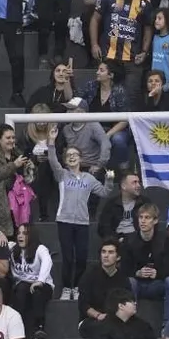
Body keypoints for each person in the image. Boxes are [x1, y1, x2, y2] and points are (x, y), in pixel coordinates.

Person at [48, 125, 115, 301]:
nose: (72, 157)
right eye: (69, 155)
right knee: (68, 257)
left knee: (82, 257)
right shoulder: (62, 175)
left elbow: (104, 192)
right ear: (65, 160)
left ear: (80, 158)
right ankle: (66, 288)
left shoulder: (89, 179)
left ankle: (76, 287)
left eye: (75, 155)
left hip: (82, 223)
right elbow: (52, 160)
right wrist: (51, 142)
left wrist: (109, 180)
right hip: (64, 221)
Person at [121, 202, 169, 326]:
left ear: (155, 220)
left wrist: (158, 273)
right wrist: (137, 273)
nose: (143, 221)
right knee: (130, 281)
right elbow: (124, 268)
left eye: (147, 217)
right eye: (141, 217)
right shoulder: (129, 240)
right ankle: (131, 323)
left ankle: (168, 324)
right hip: (138, 284)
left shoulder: (164, 239)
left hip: (157, 283)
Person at [77, 239, 130, 339]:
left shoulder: (123, 278)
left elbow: (127, 302)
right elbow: (83, 304)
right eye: (103, 252)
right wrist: (98, 315)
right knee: (104, 329)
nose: (106, 255)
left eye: (110, 252)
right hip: (91, 320)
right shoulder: (90, 275)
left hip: (116, 320)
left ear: (118, 257)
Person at [8, 224, 51, 339]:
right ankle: (16, 327)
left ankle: (39, 327)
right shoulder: (12, 248)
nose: (20, 236)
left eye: (25, 233)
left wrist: (40, 280)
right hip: (22, 284)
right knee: (21, 289)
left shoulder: (40, 249)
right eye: (18, 233)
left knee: (37, 291)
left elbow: (47, 261)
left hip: (42, 284)